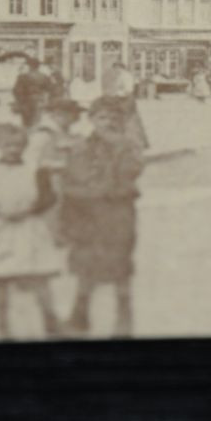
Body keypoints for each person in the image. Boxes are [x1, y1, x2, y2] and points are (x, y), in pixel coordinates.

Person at [0, 122, 63, 339]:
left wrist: (31, 208)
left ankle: (50, 319)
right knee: (0, 278)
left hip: (28, 227)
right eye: (8, 145)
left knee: (39, 276)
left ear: (24, 146)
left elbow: (49, 197)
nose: (13, 150)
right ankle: (2, 325)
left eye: (18, 145)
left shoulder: (36, 169)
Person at [60, 95, 146, 337]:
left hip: (116, 214)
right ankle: (80, 315)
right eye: (101, 117)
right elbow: (72, 177)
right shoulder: (81, 146)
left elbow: (130, 173)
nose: (107, 122)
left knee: (119, 264)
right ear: (91, 119)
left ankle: (124, 317)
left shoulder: (128, 146)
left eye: (112, 118)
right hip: (86, 213)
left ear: (121, 121)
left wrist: (118, 144)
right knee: (85, 262)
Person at [13, 57, 54, 128]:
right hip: (39, 101)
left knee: (26, 123)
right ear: (38, 66)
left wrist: (19, 101)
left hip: (26, 101)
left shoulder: (23, 77)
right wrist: (45, 99)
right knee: (37, 122)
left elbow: (17, 91)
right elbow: (50, 89)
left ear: (29, 66)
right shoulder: (44, 76)